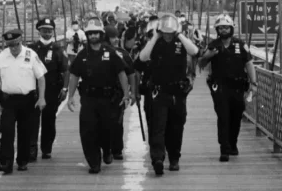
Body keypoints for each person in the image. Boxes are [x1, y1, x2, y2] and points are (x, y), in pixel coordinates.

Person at [67, 17, 131, 173]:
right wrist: (70, 97)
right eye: (90, 34)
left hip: (108, 99)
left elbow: (121, 73)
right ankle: (94, 162)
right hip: (88, 99)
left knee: (107, 129)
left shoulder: (111, 53)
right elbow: (74, 76)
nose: (93, 36)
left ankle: (107, 150)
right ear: (87, 36)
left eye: (96, 33)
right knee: (88, 131)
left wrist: (126, 93)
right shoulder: (82, 55)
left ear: (101, 35)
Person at [138, 12, 199, 176]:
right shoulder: (155, 43)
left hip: (178, 92)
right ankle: (158, 159)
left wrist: (180, 34)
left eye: (170, 33)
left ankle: (174, 159)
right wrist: (155, 37)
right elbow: (143, 58)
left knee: (176, 127)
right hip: (159, 91)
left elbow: (194, 51)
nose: (167, 36)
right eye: (164, 32)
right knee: (158, 126)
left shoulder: (181, 42)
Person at [198, 13, 258, 162]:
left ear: (231, 28)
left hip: (238, 86)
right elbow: (201, 63)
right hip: (220, 87)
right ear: (217, 30)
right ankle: (224, 148)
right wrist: (208, 55)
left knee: (236, 116)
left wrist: (254, 83)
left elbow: (249, 64)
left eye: (226, 27)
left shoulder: (241, 44)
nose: (224, 30)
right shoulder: (213, 44)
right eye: (221, 28)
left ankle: (233, 143)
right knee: (223, 116)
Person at [0, 28, 47, 173]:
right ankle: (6, 163)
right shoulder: (2, 56)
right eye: (10, 45)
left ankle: (22, 161)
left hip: (27, 100)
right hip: (8, 100)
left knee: (25, 132)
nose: (14, 48)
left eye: (16, 45)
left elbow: (41, 78)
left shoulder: (30, 55)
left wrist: (41, 98)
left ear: (21, 42)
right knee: (7, 130)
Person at [28, 17, 69, 161]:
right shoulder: (31, 49)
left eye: (49, 31)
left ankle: (46, 149)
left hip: (52, 90)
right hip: (33, 90)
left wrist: (64, 89)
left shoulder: (58, 49)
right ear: (39, 31)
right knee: (32, 120)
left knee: (49, 121)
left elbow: (65, 70)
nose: (47, 33)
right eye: (44, 30)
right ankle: (31, 148)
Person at [105, 26, 138, 161]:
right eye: (113, 37)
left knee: (117, 122)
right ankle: (105, 148)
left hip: (117, 94)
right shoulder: (93, 52)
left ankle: (117, 149)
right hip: (98, 94)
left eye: (117, 36)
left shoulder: (122, 53)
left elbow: (131, 74)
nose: (117, 39)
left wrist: (133, 92)